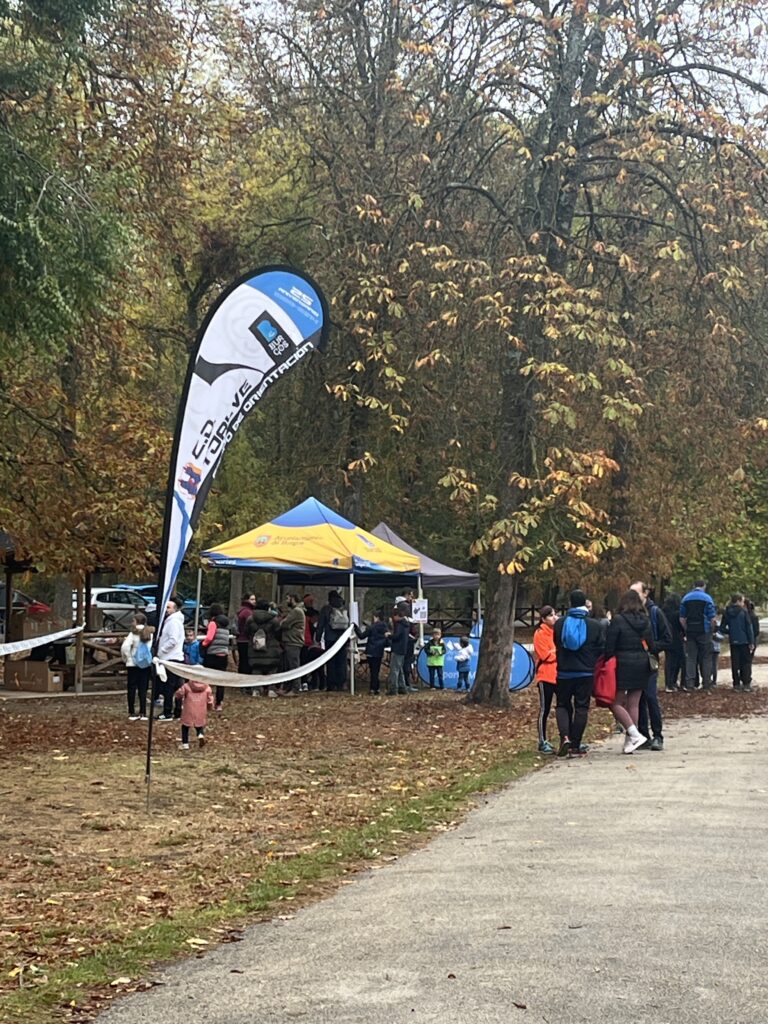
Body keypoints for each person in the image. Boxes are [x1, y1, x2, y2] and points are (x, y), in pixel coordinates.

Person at [553, 588, 604, 758]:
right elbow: (601, 647)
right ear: (585, 603)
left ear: (570, 603)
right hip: (585, 672)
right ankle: (575, 744)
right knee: (581, 707)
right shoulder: (594, 625)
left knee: (562, 704)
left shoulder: (560, 624)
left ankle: (565, 737)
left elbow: (557, 643)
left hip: (564, 671)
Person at [606, 590, 657, 754]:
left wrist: (607, 658)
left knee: (615, 702)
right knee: (633, 703)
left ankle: (634, 734)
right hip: (642, 663)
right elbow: (651, 644)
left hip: (623, 663)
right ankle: (630, 741)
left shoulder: (618, 620)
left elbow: (610, 644)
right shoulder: (645, 620)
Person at [631, 581, 671, 751]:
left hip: (649, 661)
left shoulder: (655, 612)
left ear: (645, 593)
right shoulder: (629, 614)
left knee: (650, 696)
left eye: (636, 593)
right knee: (636, 699)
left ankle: (657, 735)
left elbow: (667, 638)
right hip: (633, 661)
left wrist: (653, 647)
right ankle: (643, 734)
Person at [679, 580, 718, 691]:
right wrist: (711, 630)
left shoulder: (686, 598)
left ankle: (690, 683)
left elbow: (682, 618)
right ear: (704, 586)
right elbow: (712, 618)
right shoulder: (707, 598)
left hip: (691, 631)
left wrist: (686, 629)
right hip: (704, 631)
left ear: (693, 586)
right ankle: (706, 683)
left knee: (691, 657)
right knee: (706, 657)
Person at [156, 597, 186, 721]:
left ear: (175, 609)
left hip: (171, 657)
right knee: (177, 686)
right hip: (174, 657)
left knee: (168, 687)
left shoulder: (173, 622)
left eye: (169, 607)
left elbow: (173, 640)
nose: (166, 610)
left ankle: (168, 712)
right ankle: (177, 711)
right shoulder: (174, 621)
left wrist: (162, 650)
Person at [533, 605, 558, 753]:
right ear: (543, 619)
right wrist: (556, 652)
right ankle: (542, 741)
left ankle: (567, 737)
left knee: (564, 707)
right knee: (545, 709)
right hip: (545, 676)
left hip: (559, 675)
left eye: (554, 614)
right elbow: (545, 655)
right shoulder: (540, 633)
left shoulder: (557, 632)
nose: (554, 617)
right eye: (550, 615)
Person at [120, 612, 153, 721]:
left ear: (137, 621)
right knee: (143, 688)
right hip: (145, 663)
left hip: (133, 663)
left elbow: (125, 647)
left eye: (133, 621)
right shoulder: (149, 633)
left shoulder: (133, 633)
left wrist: (127, 657)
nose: (132, 623)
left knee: (132, 688)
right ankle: (143, 712)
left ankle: (132, 712)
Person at [248, 599, 283, 697]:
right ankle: (271, 689)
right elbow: (278, 634)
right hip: (271, 648)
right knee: (272, 669)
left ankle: (256, 689)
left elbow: (246, 632)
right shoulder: (274, 620)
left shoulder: (250, 619)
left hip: (255, 647)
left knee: (256, 668)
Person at [317, 591, 350, 691]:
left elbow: (320, 625)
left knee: (331, 662)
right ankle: (342, 683)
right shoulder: (344, 608)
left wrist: (318, 638)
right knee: (342, 662)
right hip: (342, 639)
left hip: (330, 638)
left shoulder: (326, 609)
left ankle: (331, 684)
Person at [720, 594, 754, 691]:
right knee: (746, 662)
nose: (743, 603)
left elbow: (722, 628)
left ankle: (736, 684)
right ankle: (746, 683)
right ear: (738, 601)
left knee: (735, 663)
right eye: (742, 601)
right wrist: (751, 641)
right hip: (744, 640)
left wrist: (730, 631)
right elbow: (749, 627)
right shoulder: (744, 612)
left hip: (733, 641)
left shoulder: (727, 612)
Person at [201, 608, 230, 710]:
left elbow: (209, 637)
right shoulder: (226, 625)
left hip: (212, 654)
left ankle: (207, 700)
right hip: (223, 654)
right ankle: (219, 703)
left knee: (206, 678)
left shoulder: (213, 623)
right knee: (220, 681)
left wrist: (203, 644)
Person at [175, 677, 214, 750]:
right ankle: (200, 735)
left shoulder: (187, 686)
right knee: (199, 725)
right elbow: (210, 700)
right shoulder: (207, 687)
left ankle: (185, 744)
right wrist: (209, 707)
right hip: (201, 709)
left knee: (185, 726)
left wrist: (177, 696)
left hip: (188, 709)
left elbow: (179, 693)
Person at [279, 594, 306, 694]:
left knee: (293, 666)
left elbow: (285, 624)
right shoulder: (296, 611)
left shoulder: (296, 611)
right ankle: (287, 688)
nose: (286, 601)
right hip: (291, 641)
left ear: (293, 599)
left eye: (287, 598)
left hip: (293, 641)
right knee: (289, 666)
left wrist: (282, 621)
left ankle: (295, 688)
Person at [355, 611, 388, 695]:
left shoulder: (371, 628)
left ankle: (373, 688)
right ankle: (376, 688)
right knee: (376, 670)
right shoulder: (385, 627)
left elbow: (361, 636)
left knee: (372, 670)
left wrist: (356, 628)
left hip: (371, 650)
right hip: (379, 651)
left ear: (376, 617)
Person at [661, 593, 685, 691]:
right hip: (676, 638)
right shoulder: (677, 613)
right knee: (679, 661)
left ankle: (668, 683)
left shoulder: (663, 613)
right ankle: (674, 681)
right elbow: (681, 626)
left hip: (666, 638)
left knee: (669, 661)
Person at [387, 612, 410, 695]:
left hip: (397, 649)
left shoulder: (400, 625)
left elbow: (397, 636)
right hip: (403, 649)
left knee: (394, 669)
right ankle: (402, 687)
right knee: (399, 669)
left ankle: (393, 688)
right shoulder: (406, 625)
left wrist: (389, 636)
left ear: (397, 616)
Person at [236, 593, 255, 681]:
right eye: (252, 599)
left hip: (240, 639)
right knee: (246, 662)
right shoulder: (248, 612)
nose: (254, 601)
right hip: (246, 639)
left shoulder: (241, 610)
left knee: (242, 661)